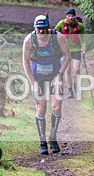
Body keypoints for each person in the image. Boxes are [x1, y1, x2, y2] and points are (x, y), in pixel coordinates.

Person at [23, 14, 71, 155]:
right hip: (38, 78)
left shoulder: (58, 37)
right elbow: (25, 62)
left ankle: (53, 137)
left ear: (48, 27)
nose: (41, 31)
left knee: (56, 107)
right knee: (41, 109)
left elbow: (68, 56)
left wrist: (59, 75)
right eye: (38, 28)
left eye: (44, 28)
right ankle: (42, 141)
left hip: (55, 76)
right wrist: (33, 83)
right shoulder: (29, 40)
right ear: (34, 28)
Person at [54, 8, 86, 99]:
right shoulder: (61, 24)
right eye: (69, 16)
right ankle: (70, 90)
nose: (71, 17)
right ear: (66, 16)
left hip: (76, 50)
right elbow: (54, 33)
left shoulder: (79, 26)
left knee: (76, 70)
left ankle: (76, 85)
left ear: (75, 16)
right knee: (67, 70)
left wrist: (83, 49)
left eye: (72, 16)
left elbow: (84, 39)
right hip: (65, 51)